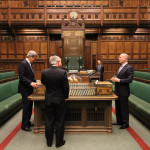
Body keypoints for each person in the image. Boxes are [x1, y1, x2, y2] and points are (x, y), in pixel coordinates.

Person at [41, 55, 69, 147]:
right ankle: (59, 142)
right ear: (57, 62)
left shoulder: (44, 72)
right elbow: (65, 87)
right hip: (59, 100)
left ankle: (49, 142)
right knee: (59, 121)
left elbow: (43, 82)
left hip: (48, 99)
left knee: (49, 121)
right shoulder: (62, 72)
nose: (61, 63)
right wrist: (66, 97)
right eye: (60, 61)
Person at [111, 53, 134, 129]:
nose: (119, 58)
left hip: (123, 91)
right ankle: (119, 121)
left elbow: (130, 79)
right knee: (118, 107)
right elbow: (119, 77)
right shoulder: (120, 67)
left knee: (124, 108)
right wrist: (115, 79)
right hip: (118, 91)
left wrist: (119, 80)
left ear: (125, 59)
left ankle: (125, 123)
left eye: (120, 57)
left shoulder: (129, 67)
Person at [18, 50, 38, 132]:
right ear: (30, 56)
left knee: (30, 106)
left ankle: (28, 121)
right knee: (26, 107)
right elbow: (21, 77)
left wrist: (36, 81)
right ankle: (24, 125)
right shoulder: (23, 63)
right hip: (25, 89)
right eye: (34, 58)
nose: (35, 60)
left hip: (29, 89)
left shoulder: (29, 64)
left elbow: (30, 76)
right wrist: (30, 83)